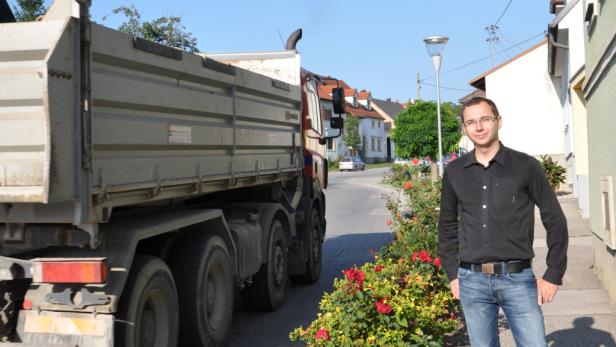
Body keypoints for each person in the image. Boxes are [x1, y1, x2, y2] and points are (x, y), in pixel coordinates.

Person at [438, 97, 568, 346]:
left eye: (485, 119)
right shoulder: (454, 172)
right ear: (464, 129)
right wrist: (453, 274)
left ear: (499, 121)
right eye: (471, 122)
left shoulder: (526, 166)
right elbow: (447, 226)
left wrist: (553, 273)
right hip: (471, 281)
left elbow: (555, 219)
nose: (479, 127)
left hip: (517, 279)